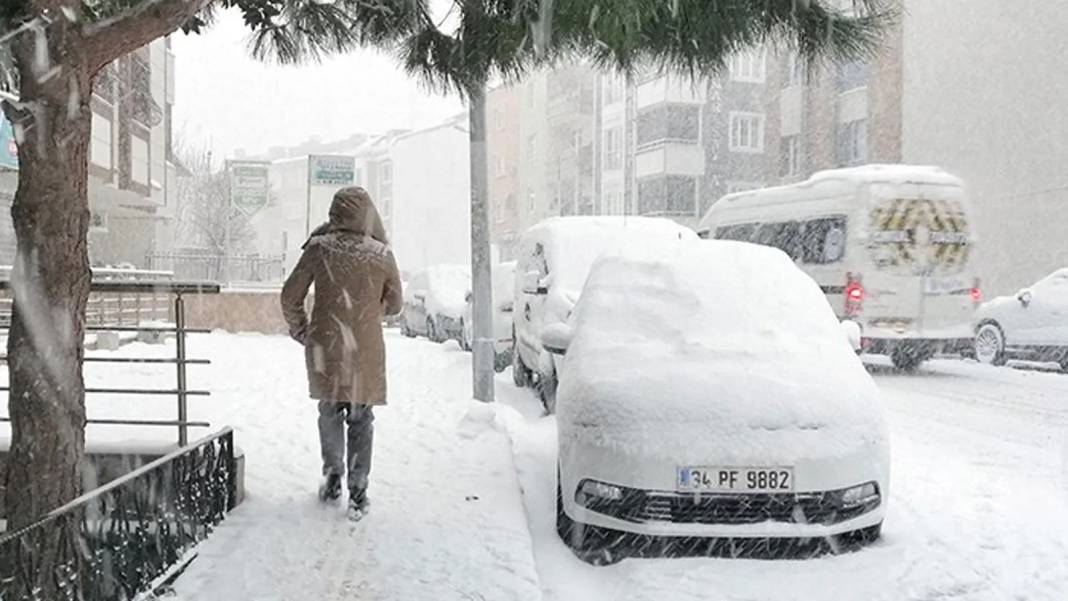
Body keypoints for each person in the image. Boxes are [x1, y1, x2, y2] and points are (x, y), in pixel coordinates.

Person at [281, 186, 403, 521]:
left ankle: (333, 476)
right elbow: (395, 305)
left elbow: (290, 296)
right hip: (364, 349)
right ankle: (359, 489)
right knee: (361, 418)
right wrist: (367, 307)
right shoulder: (380, 254)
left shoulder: (319, 248)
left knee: (330, 411)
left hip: (327, 346)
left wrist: (302, 330)